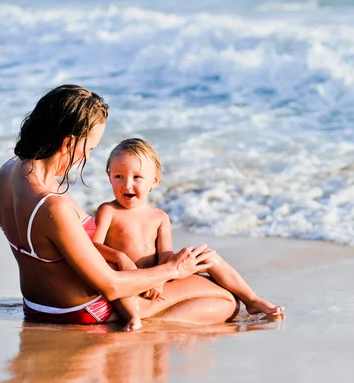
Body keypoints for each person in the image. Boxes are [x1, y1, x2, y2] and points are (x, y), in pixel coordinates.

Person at [0, 84, 239, 327]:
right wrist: (174, 269)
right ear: (68, 143)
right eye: (88, 148)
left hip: (38, 305)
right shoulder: (51, 206)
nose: (87, 157)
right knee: (226, 300)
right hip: (86, 310)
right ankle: (146, 327)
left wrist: (121, 257)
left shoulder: (7, 172)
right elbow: (111, 286)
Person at [93, 138, 284, 330]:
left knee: (207, 256)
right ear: (109, 177)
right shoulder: (108, 211)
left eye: (137, 177)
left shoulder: (159, 217)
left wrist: (159, 281)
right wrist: (120, 257)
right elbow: (93, 248)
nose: (127, 185)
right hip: (129, 282)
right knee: (113, 268)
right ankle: (133, 317)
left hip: (157, 280)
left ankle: (251, 299)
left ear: (155, 180)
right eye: (119, 176)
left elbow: (166, 256)